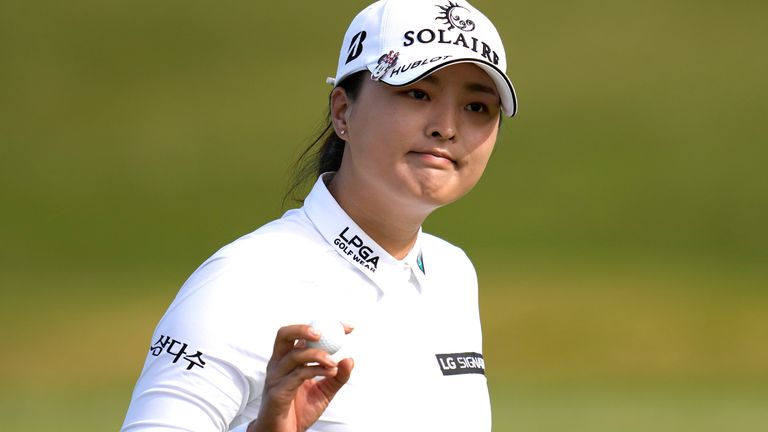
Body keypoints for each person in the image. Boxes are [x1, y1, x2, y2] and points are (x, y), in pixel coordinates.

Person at [121, 0, 517, 430]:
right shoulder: (243, 280)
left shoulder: (451, 273)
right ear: (343, 112)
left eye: (477, 107)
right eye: (417, 93)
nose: (447, 126)